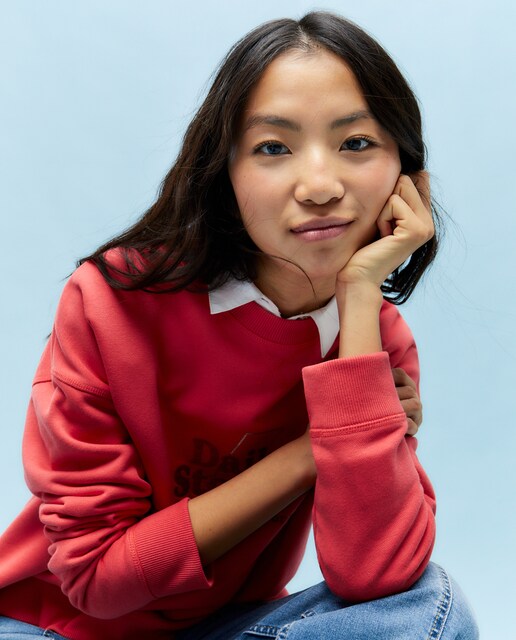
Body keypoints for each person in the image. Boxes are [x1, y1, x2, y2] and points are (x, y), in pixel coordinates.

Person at [0, 11, 478, 640]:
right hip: (57, 626)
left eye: (357, 143)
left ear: (406, 180)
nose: (319, 186)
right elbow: (97, 582)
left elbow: (376, 575)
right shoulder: (114, 302)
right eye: (273, 148)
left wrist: (361, 295)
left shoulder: (374, 340)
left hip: (222, 626)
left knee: (431, 605)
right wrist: (312, 450)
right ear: (225, 174)